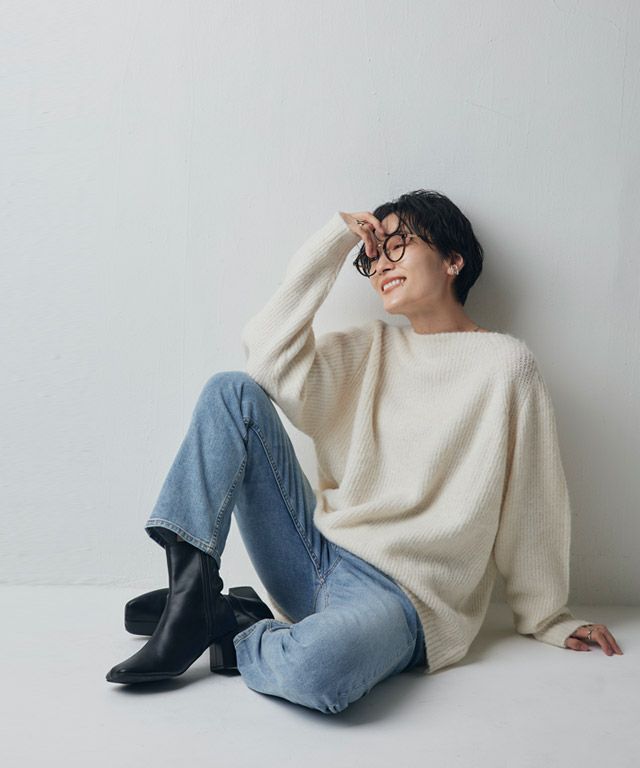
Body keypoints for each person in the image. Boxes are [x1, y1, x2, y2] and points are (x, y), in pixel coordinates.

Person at [105, 189, 622, 714]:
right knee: (229, 391)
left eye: (399, 245)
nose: (381, 264)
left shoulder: (506, 366)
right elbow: (265, 353)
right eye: (373, 256)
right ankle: (192, 599)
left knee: (318, 671)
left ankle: (234, 625)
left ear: (453, 260)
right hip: (314, 555)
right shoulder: (370, 348)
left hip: (402, 598)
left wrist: (547, 616)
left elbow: (531, 498)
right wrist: (335, 241)